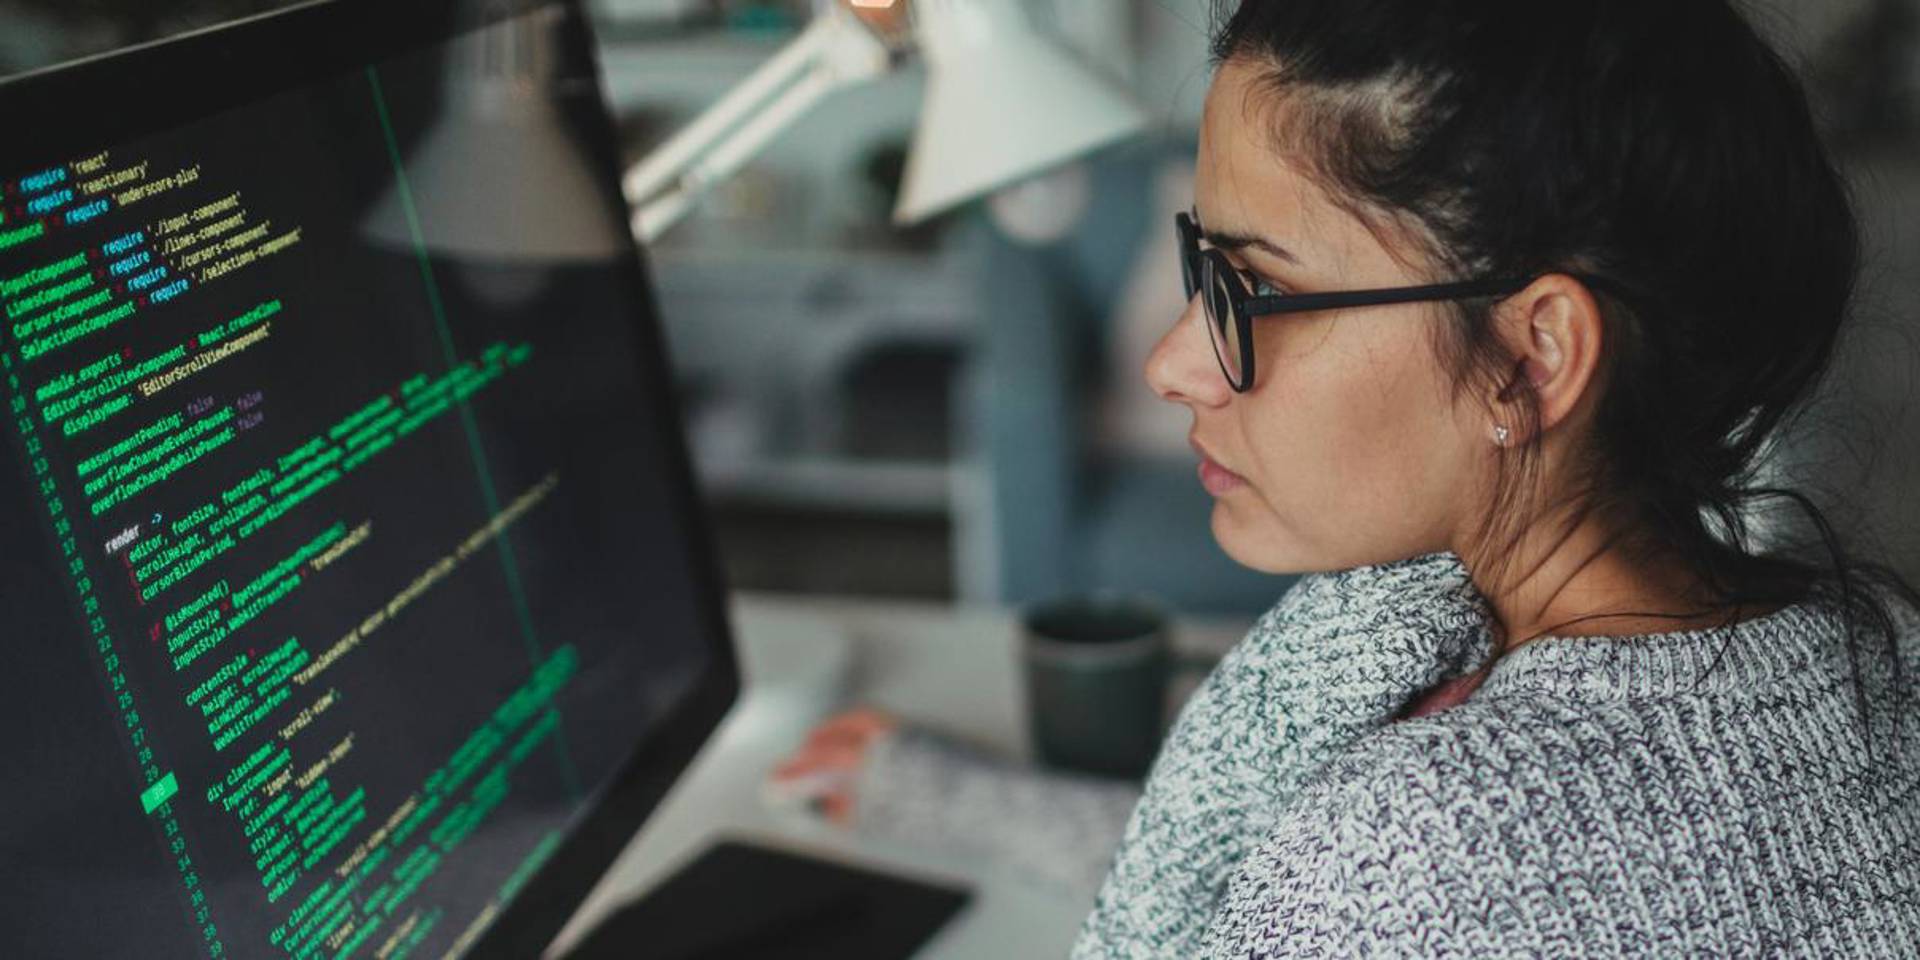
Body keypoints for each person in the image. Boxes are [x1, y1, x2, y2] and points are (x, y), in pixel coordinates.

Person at [774, 0, 1920, 955]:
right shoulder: (1878, 652)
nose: (1171, 364)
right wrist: (966, 805)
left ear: (1534, 355)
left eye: (1249, 289)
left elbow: (1375, 894)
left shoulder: (1412, 841)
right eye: (1198, 264)